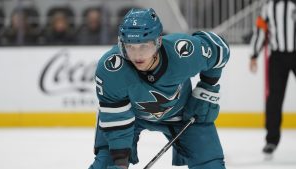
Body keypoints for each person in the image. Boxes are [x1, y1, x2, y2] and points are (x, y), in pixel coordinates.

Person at [90, 8, 230, 169]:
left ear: (158, 41)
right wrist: (120, 163)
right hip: (130, 116)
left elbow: (220, 49)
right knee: (106, 165)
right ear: (121, 44)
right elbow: (116, 121)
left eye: (144, 46)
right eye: (130, 47)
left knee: (210, 165)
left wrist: (207, 89)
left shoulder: (182, 53)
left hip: (181, 115)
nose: (138, 56)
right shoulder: (111, 68)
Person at [249, 0, 296, 155]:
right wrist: (254, 55)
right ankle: (271, 140)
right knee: (274, 98)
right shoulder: (269, 6)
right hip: (277, 57)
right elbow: (261, 30)